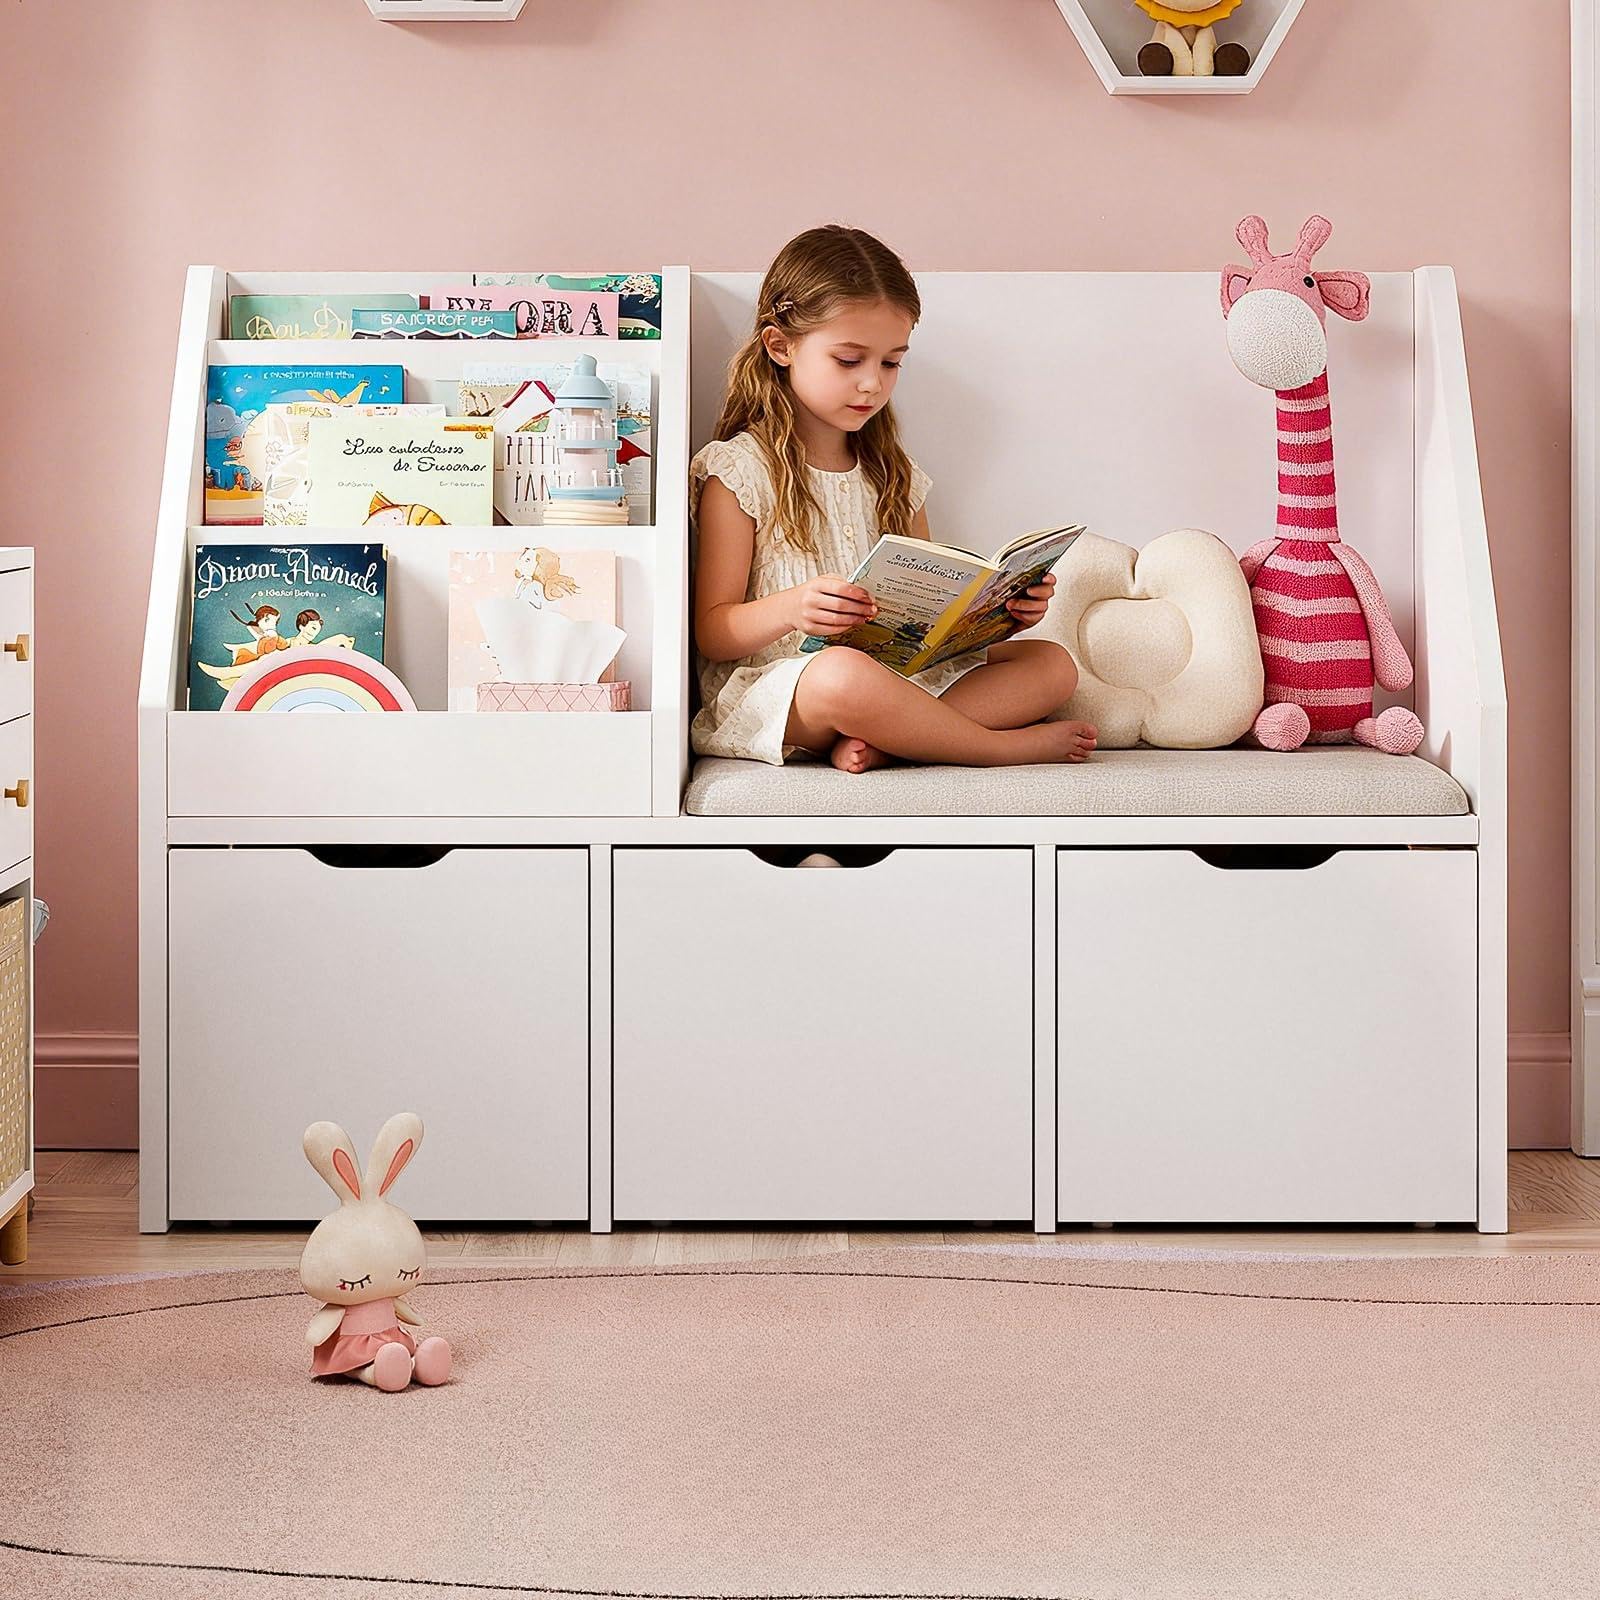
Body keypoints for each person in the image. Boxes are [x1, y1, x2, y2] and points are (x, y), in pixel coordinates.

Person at [690, 224, 1095, 774]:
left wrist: (998, 615)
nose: (872, 385)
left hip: (893, 677)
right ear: (779, 346)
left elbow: (925, 614)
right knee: (842, 675)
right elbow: (714, 633)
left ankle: (889, 739)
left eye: (890, 362)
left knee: (1052, 664)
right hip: (792, 689)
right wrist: (793, 607)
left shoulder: (894, 476)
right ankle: (993, 749)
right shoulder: (739, 471)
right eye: (849, 360)